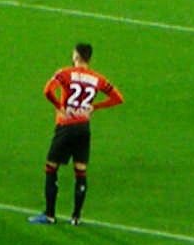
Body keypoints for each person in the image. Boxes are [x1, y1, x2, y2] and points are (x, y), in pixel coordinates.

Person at [28, 43, 123, 225]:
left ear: (76, 56)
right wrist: (94, 107)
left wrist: (60, 107)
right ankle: (76, 217)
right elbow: (118, 98)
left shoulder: (65, 73)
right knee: (80, 171)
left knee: (51, 168)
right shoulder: (98, 79)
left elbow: (47, 90)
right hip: (83, 128)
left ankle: (49, 215)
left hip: (66, 126)